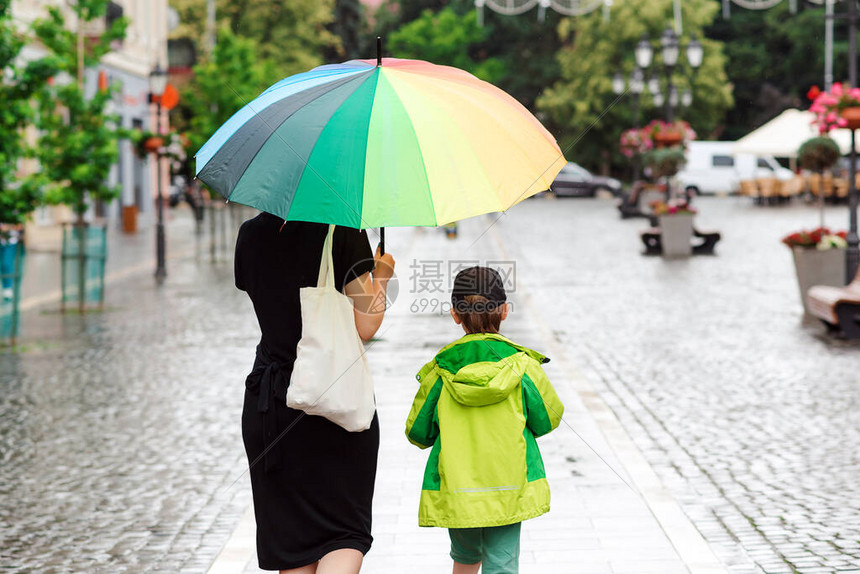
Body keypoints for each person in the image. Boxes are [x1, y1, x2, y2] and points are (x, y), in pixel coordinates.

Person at [234, 213, 395, 574]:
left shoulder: (250, 234)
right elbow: (366, 324)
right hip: (334, 405)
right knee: (344, 534)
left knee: (293, 545)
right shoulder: (343, 233)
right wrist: (381, 274)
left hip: (272, 406)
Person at [404, 266, 564, 574]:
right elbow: (549, 419)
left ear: (455, 314)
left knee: (465, 558)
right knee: (501, 564)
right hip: (510, 484)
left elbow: (417, 432)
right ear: (504, 311)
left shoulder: (440, 370)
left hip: (458, 487)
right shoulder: (523, 366)